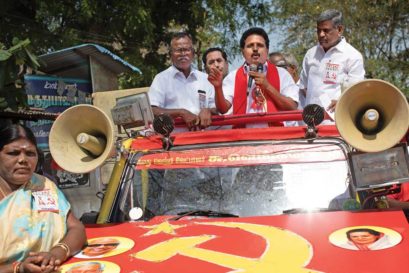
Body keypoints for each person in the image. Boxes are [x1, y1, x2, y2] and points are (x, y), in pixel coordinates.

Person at [0, 123, 86, 273]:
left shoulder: (42, 186)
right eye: (13, 153)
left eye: (30, 154)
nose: (23, 160)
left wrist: (56, 253)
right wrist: (18, 268)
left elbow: (76, 227)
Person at [209, 27, 298, 128]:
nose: (255, 49)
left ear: (267, 50)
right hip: (243, 138)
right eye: (250, 46)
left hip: (276, 137)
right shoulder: (233, 77)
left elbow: (292, 107)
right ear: (243, 51)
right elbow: (223, 109)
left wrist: (267, 86)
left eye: (260, 45)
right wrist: (218, 88)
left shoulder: (282, 74)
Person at [299, 9, 365, 120]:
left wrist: (341, 102)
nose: (321, 34)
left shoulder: (352, 56)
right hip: (311, 123)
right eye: (318, 30)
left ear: (339, 30)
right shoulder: (310, 54)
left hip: (338, 123)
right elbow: (303, 87)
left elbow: (356, 91)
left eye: (326, 30)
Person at [149, 32, 217, 131]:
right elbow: (152, 110)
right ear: (170, 54)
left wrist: (208, 111)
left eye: (187, 50)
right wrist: (181, 112)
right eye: (178, 50)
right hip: (174, 141)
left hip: (203, 138)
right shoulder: (161, 79)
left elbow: (216, 108)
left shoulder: (205, 79)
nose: (183, 54)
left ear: (193, 53)